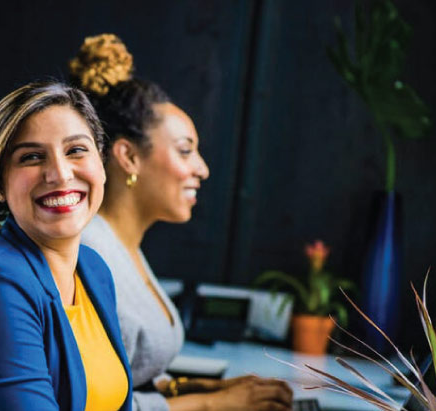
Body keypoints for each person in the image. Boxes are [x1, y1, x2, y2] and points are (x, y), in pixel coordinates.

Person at [73, 34, 294, 411]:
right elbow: (95, 403)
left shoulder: (123, 248)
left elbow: (130, 372)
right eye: (185, 151)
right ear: (127, 156)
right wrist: (215, 405)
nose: (202, 169)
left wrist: (204, 388)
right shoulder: (90, 255)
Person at [0, 82, 133, 410]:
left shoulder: (93, 270)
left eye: (76, 150)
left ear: (100, 162)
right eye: (32, 157)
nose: (60, 174)